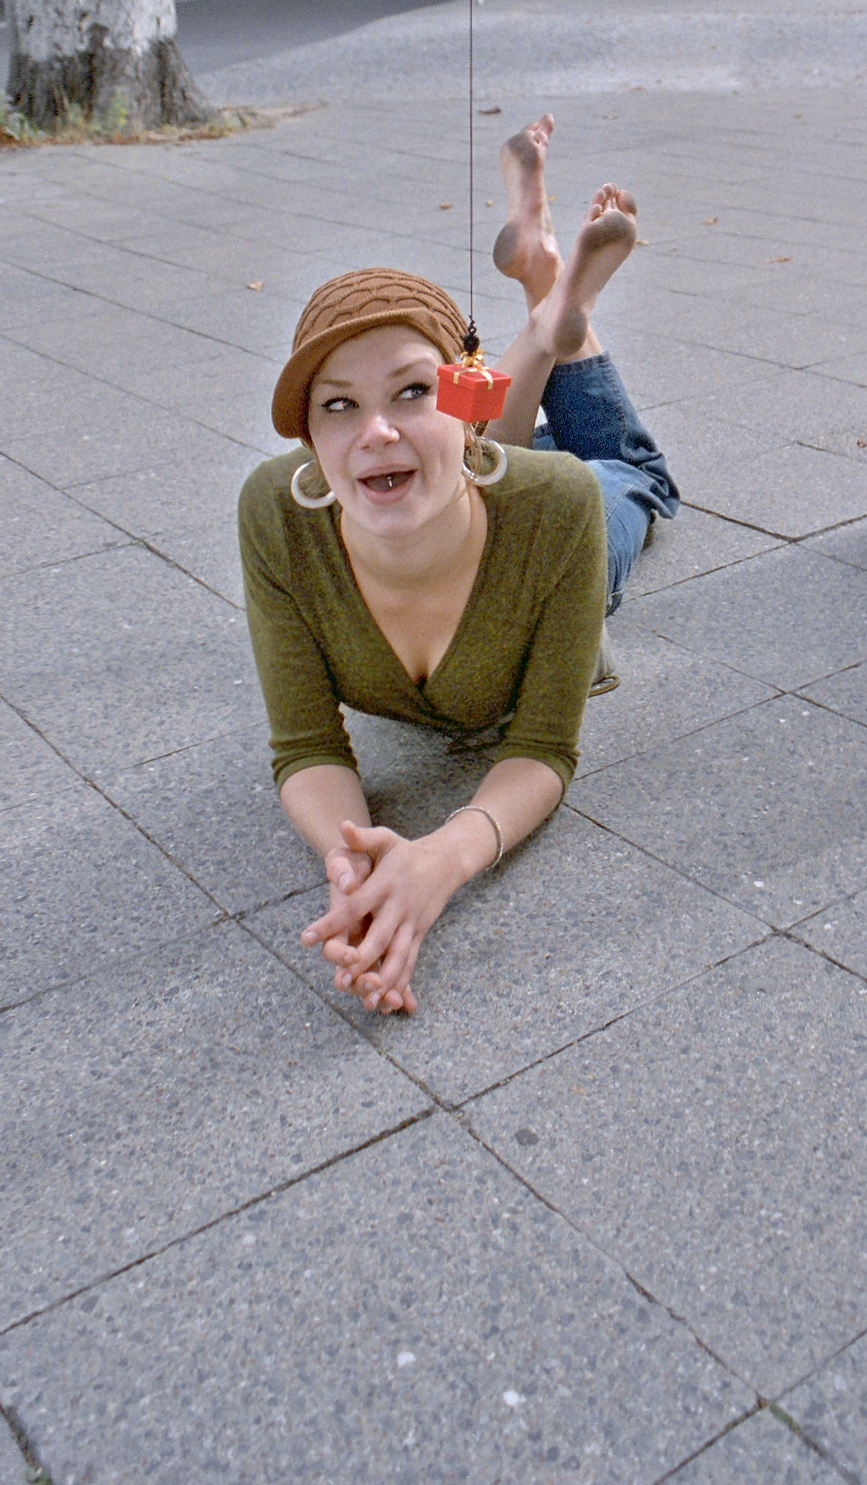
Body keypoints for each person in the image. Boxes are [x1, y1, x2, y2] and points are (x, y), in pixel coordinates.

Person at [239, 116, 678, 1013]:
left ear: (460, 398)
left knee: (631, 476)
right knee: (440, 462)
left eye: (410, 388)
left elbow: (545, 746)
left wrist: (440, 859)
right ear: (311, 442)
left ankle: (557, 311)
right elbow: (305, 747)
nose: (373, 431)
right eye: (337, 406)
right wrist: (354, 860)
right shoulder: (275, 512)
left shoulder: (560, 509)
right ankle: (553, 307)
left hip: (537, 498)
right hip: (473, 465)